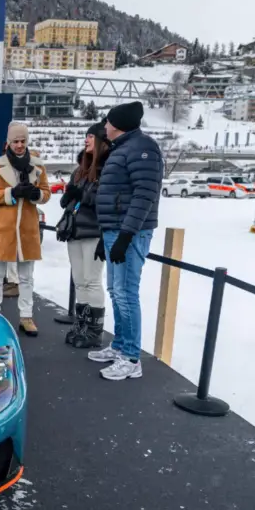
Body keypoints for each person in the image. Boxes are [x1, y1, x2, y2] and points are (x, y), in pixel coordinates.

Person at [91, 101, 162, 381]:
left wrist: (126, 235)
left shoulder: (143, 149)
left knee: (126, 292)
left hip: (129, 232)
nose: (105, 127)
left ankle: (132, 357)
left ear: (118, 124)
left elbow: (144, 196)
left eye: (108, 122)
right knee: (115, 290)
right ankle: (120, 345)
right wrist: (105, 235)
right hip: (114, 230)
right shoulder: (124, 149)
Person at [0, 122, 51, 337]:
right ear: (8, 143)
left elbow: (46, 193)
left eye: (23, 141)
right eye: (16, 141)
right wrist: (11, 193)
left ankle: (26, 317)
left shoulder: (38, 166)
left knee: (27, 278)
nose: (20, 145)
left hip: (27, 231)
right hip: (3, 230)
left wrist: (35, 195)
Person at [60, 123, 110, 349]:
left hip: (94, 231)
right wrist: (69, 196)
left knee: (92, 280)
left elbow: (107, 201)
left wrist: (84, 196)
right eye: (86, 136)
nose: (86, 140)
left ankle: (94, 330)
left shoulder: (108, 167)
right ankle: (82, 324)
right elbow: (70, 199)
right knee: (80, 281)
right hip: (75, 230)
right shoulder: (80, 169)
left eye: (91, 136)